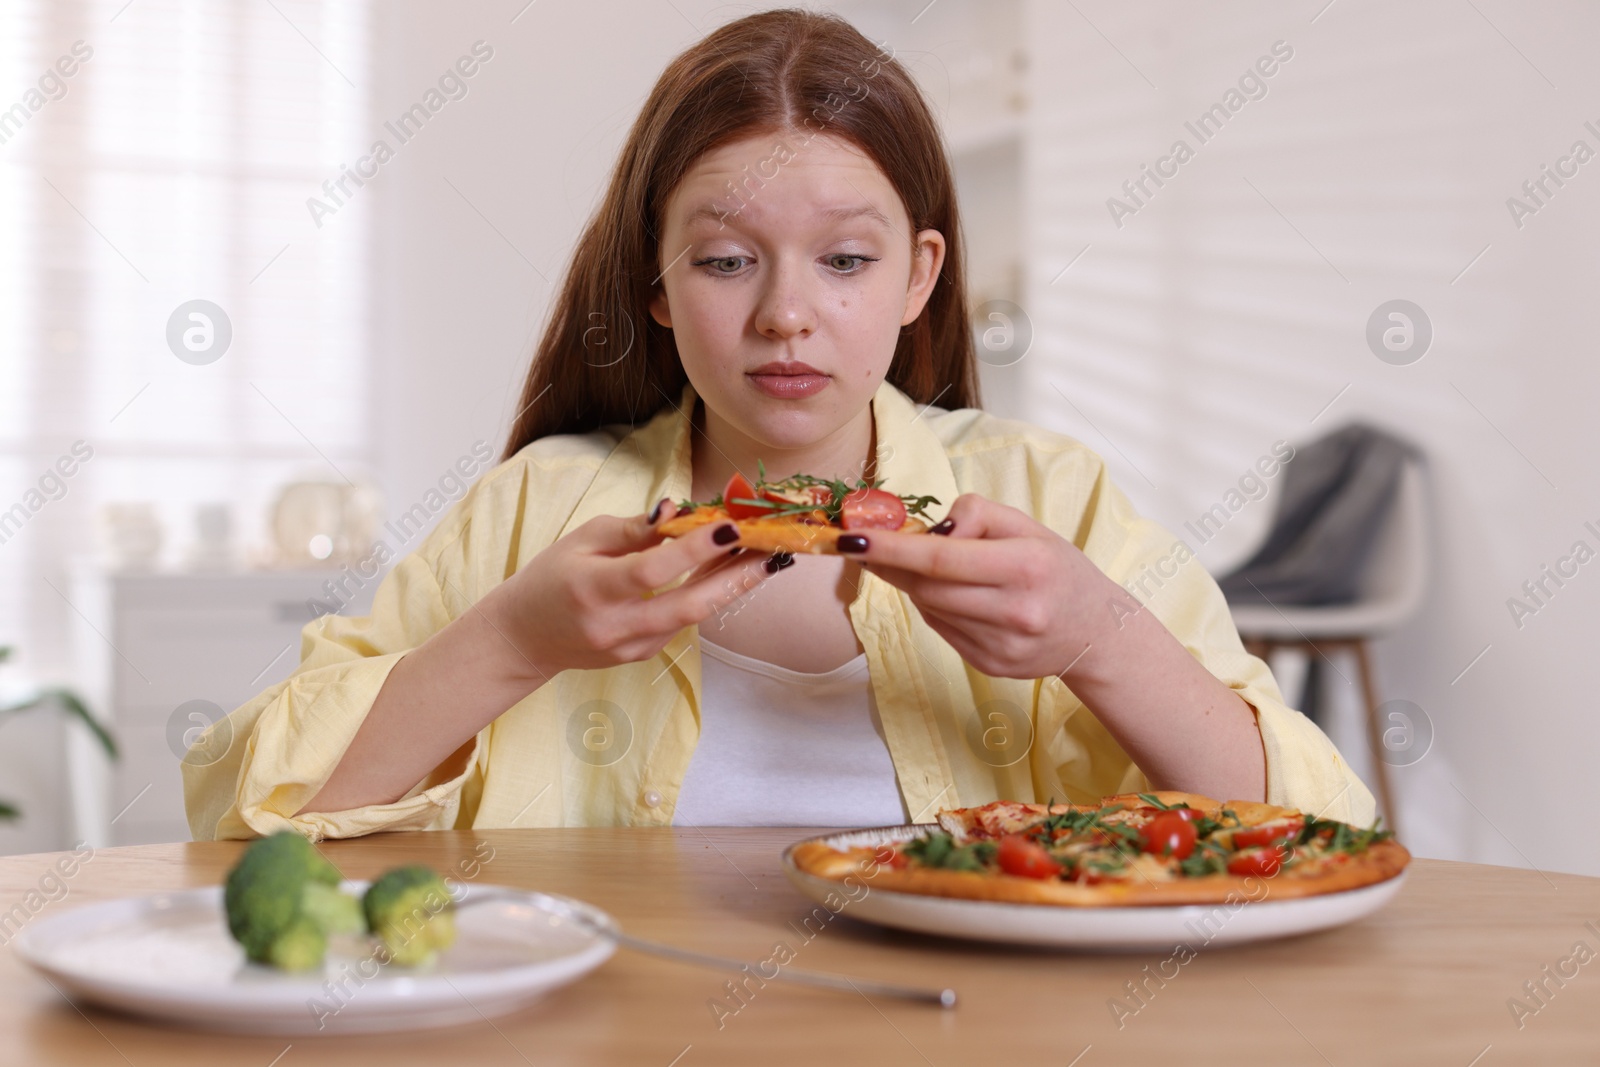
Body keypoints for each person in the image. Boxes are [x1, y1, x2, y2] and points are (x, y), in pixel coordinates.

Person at [184, 8, 1374, 842]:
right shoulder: (537, 510)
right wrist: (516, 638)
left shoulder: (1047, 497)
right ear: (654, 287)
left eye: (845, 259)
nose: (786, 315)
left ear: (917, 278)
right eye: (724, 259)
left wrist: (1102, 637)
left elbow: (1322, 828)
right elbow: (238, 806)